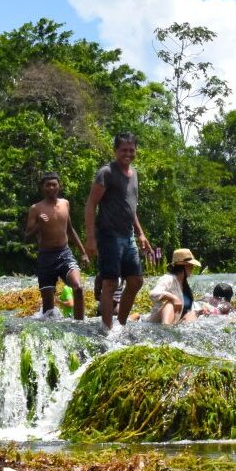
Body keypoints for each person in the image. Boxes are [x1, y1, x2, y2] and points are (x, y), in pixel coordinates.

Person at [84, 133, 153, 333]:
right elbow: (90, 205)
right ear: (115, 151)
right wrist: (90, 238)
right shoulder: (107, 172)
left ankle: (120, 326)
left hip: (128, 235)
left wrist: (141, 233)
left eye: (131, 150)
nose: (128, 154)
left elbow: (130, 208)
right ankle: (107, 329)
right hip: (109, 234)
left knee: (136, 281)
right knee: (111, 282)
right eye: (124, 150)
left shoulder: (135, 174)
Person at [25, 172, 88, 319]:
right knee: (48, 307)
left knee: (78, 287)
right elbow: (27, 237)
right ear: (42, 188)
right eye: (48, 185)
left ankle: (80, 326)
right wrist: (39, 224)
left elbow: (70, 230)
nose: (51, 188)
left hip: (64, 254)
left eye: (54, 184)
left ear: (59, 186)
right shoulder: (36, 208)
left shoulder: (65, 203)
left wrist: (83, 252)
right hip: (45, 258)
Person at [147, 248, 201, 324]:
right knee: (170, 303)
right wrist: (173, 298)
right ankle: (166, 330)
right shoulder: (168, 278)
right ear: (183, 266)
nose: (193, 267)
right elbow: (153, 294)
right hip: (156, 323)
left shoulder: (184, 284)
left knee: (192, 313)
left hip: (176, 323)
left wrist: (201, 311)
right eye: (190, 265)